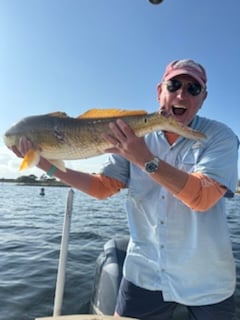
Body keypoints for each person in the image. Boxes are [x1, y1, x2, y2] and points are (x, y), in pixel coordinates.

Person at [12, 59, 239, 320]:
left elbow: (203, 197)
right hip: (145, 273)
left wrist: (144, 158)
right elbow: (101, 187)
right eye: (174, 84)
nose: (181, 94)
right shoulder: (130, 136)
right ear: (159, 91)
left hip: (208, 281)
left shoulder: (220, 136)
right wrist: (43, 164)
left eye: (193, 89)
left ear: (203, 98)